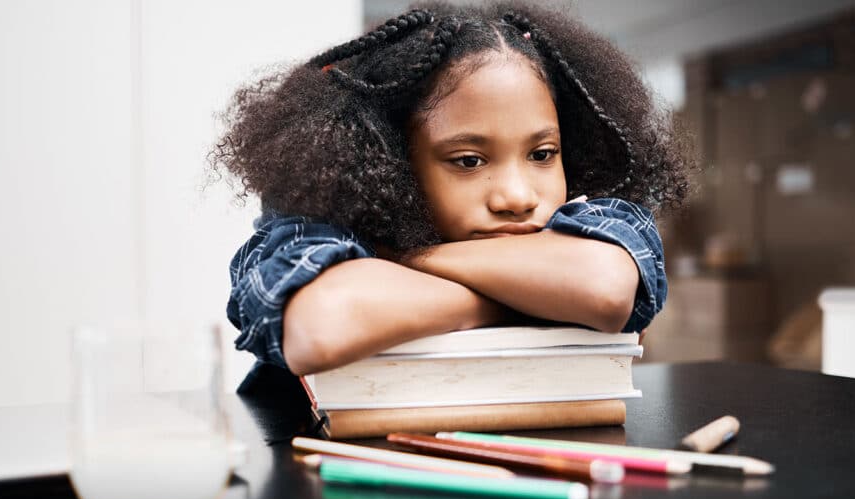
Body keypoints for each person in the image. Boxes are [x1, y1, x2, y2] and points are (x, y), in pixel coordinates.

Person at [210, 2, 693, 389]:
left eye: (543, 154)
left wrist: (405, 259)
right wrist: (525, 298)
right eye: (468, 161)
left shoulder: (598, 216)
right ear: (392, 160)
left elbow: (603, 290)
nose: (517, 196)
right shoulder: (314, 223)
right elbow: (322, 325)